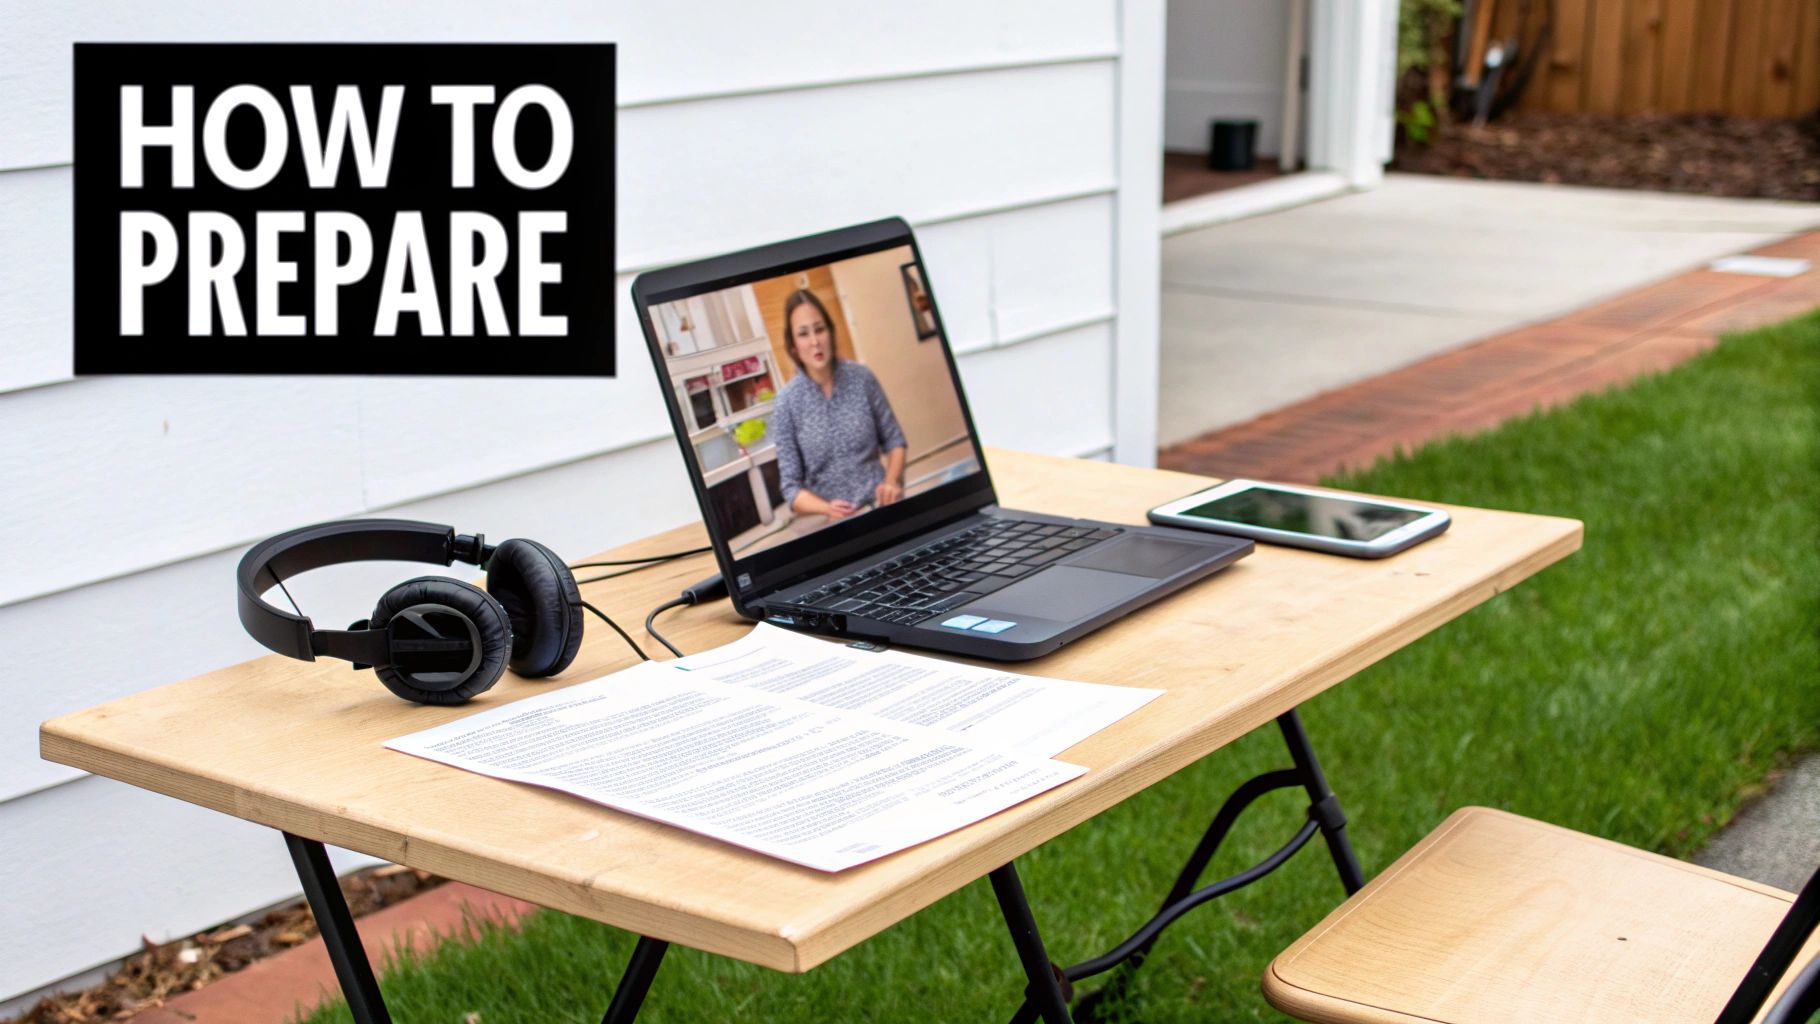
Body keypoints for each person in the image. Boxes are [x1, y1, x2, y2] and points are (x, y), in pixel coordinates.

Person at [769, 289, 907, 523]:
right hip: (835, 525)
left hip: (883, 507)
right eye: (803, 334)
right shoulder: (786, 403)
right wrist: (826, 508)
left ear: (831, 333)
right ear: (793, 346)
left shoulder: (862, 378)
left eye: (819, 329)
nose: (814, 341)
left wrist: (892, 482)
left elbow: (895, 442)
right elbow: (791, 490)